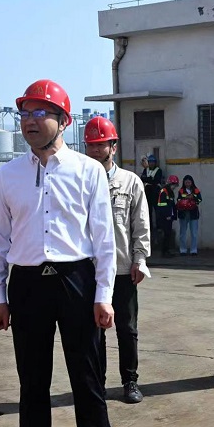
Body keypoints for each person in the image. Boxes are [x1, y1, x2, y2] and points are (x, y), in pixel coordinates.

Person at [0, 79, 128, 427]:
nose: (29, 121)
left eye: (39, 113)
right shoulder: (7, 176)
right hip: (28, 285)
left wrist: (104, 294)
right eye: (24, 114)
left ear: (63, 121)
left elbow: (103, 239)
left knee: (88, 380)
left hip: (76, 281)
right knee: (32, 383)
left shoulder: (87, 172)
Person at [83, 115, 151, 404]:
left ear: (114, 147)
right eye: (91, 145)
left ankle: (130, 381)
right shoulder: (79, 181)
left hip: (122, 269)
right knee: (93, 331)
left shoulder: (130, 182)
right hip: (88, 270)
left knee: (127, 329)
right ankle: (96, 384)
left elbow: (141, 224)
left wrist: (140, 259)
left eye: (101, 145)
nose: (95, 150)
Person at [176, 175, 202, 255]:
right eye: (186, 182)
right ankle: (183, 250)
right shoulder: (181, 190)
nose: (187, 184)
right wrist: (185, 199)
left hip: (193, 213)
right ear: (184, 183)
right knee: (182, 233)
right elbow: (178, 200)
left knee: (194, 233)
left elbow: (200, 199)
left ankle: (193, 250)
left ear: (192, 182)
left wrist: (193, 197)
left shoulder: (196, 190)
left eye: (189, 182)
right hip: (183, 213)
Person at [154, 175, 179, 257]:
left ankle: (167, 251)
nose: (174, 187)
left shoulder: (170, 192)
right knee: (166, 234)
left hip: (169, 217)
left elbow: (172, 205)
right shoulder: (164, 192)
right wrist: (167, 216)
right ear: (170, 184)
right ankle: (164, 252)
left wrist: (174, 215)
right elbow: (162, 205)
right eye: (174, 185)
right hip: (164, 217)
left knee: (168, 234)